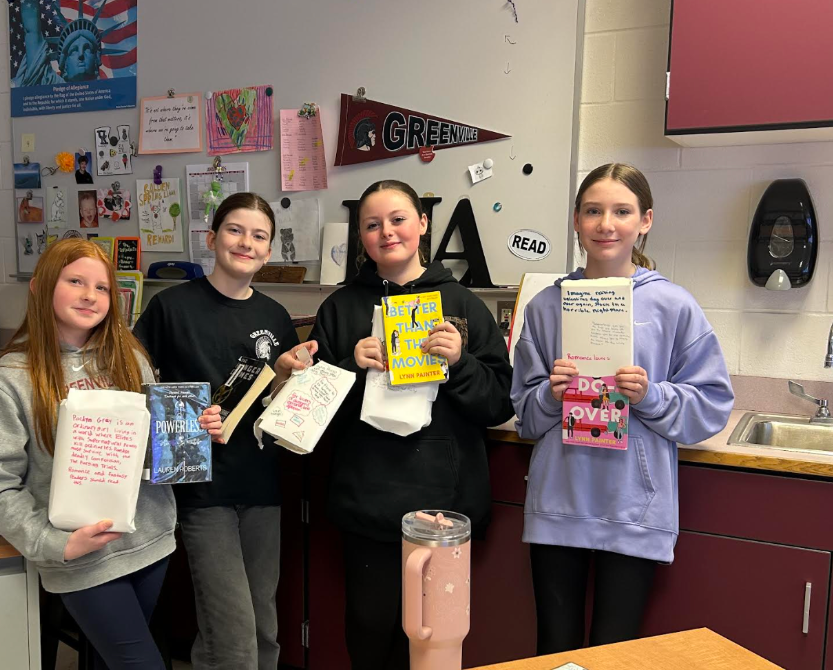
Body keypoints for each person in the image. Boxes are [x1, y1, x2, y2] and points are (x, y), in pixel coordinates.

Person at [511, 163, 734, 654]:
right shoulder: (546, 307)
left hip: (634, 506)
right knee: (556, 650)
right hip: (558, 504)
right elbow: (524, 415)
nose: (606, 224)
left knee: (614, 652)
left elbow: (712, 405)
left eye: (621, 211)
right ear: (575, 220)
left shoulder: (674, 306)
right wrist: (551, 395)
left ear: (645, 220)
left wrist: (650, 395)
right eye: (593, 211)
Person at [0, 238, 220, 669]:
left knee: (108, 662)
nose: (90, 296)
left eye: (102, 288)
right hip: (80, 555)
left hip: (149, 541)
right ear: (40, 287)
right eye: (75, 281)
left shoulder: (130, 358)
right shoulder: (10, 380)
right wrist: (54, 544)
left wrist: (190, 432)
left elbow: (150, 450)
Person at [308, 179, 514, 670]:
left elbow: (499, 403)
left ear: (423, 224)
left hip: (442, 508)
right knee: (371, 632)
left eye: (398, 219)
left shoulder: (463, 305)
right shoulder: (339, 308)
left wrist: (460, 363)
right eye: (372, 224)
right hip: (368, 503)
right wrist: (348, 369)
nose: (387, 232)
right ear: (361, 235)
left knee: (433, 642)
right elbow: (312, 411)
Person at [135, 192, 315, 670]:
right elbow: (132, 391)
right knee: (230, 636)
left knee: (263, 629)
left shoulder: (275, 317)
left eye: (259, 236)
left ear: (270, 250)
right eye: (235, 230)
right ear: (212, 238)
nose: (246, 243)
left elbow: (275, 406)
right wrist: (183, 420)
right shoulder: (169, 309)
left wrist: (289, 382)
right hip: (201, 489)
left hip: (260, 484)